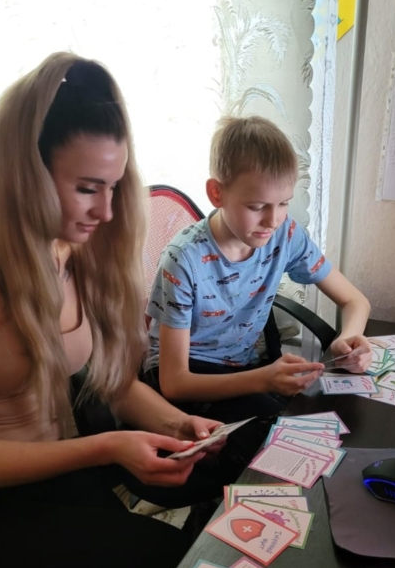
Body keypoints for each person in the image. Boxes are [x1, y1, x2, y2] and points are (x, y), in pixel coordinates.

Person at [0, 52, 230, 568]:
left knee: (236, 462)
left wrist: (179, 424)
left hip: (59, 480)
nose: (108, 210)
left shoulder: (70, 256)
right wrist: (107, 446)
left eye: (114, 187)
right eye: (88, 187)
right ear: (25, 174)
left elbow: (113, 382)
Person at [143, 116, 372, 423]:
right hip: (184, 376)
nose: (273, 221)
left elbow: (356, 301)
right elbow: (174, 383)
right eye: (257, 206)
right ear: (217, 193)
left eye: (284, 203)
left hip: (242, 369)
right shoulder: (183, 259)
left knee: (316, 421)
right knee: (279, 429)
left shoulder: (285, 235)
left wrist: (349, 339)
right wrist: (264, 380)